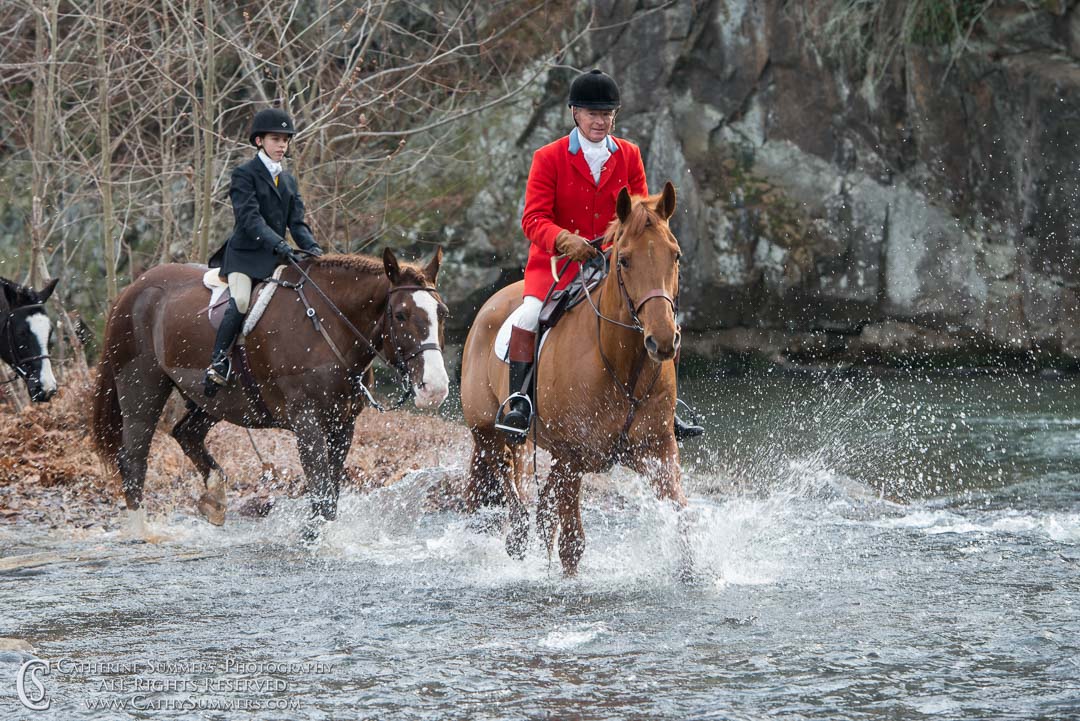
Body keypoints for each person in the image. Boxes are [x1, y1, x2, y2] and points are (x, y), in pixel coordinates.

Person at [496, 69, 704, 442]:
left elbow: (642, 214)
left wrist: (625, 249)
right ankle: (520, 403)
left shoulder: (629, 154)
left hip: (614, 263)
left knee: (657, 313)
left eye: (607, 113)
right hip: (557, 268)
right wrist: (564, 240)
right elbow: (532, 219)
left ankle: (666, 409)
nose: (600, 120)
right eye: (592, 113)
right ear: (575, 112)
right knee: (527, 317)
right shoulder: (548, 157)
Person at [203, 107, 323, 396]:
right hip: (245, 257)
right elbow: (250, 219)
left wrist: (314, 250)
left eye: (286, 139)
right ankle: (218, 362)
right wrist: (279, 244)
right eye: (275, 139)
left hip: (275, 259)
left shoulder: (289, 180)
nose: (282, 145)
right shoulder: (244, 174)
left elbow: (297, 223)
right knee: (242, 301)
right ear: (259, 141)